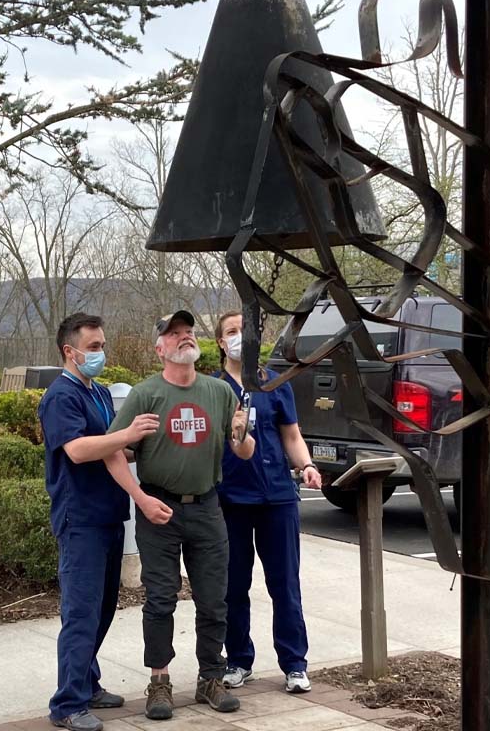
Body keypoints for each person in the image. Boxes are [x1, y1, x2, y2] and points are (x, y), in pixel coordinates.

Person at [103, 309, 255, 721]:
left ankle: (211, 677)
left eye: (188, 332)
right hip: (159, 509)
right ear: (160, 349)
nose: (184, 338)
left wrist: (241, 434)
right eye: (174, 334)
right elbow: (112, 450)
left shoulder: (220, 392)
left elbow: (243, 448)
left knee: (214, 599)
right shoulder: (145, 394)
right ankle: (160, 682)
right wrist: (140, 498)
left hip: (206, 507)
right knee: (160, 601)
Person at [38, 312, 168, 731]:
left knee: (103, 610)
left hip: (108, 515)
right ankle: (68, 704)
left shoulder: (94, 392)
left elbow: (110, 449)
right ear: (69, 351)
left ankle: (87, 683)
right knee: (81, 612)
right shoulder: (62, 396)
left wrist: (143, 448)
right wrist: (127, 435)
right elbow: (77, 450)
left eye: (102, 345)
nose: (101, 353)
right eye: (93, 347)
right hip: (81, 520)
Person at [213, 311, 321, 694]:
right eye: (232, 332)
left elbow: (291, 435)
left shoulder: (275, 382)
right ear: (221, 343)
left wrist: (306, 465)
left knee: (285, 585)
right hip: (230, 502)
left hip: (278, 499)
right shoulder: (213, 389)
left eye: (247, 330)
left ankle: (294, 664)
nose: (241, 337)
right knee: (233, 586)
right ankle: (239, 661)